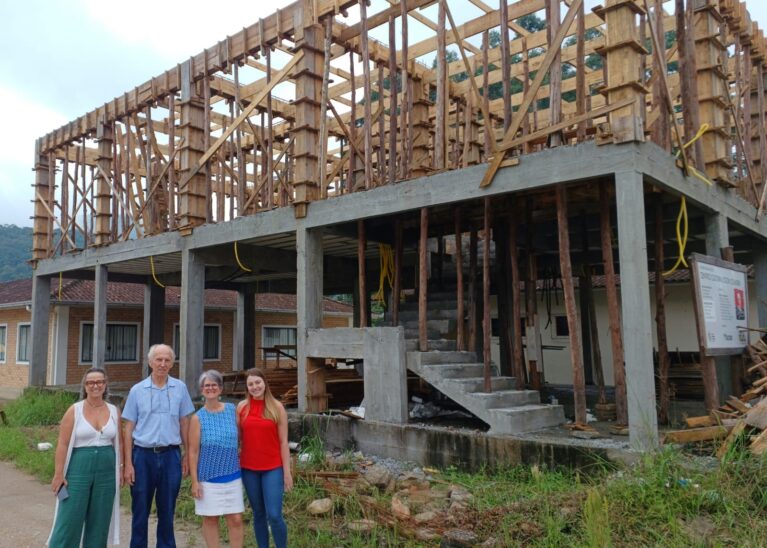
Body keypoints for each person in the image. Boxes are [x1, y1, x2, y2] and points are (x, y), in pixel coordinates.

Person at [122, 343, 195, 548]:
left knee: (167, 511)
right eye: (158, 359)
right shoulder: (137, 390)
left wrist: (187, 455)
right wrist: (128, 463)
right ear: (150, 362)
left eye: (167, 360)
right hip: (142, 457)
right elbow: (128, 428)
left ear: (172, 363)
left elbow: (184, 423)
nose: (162, 364)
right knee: (140, 511)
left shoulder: (180, 388)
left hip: (170, 455)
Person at [47, 367, 122, 547]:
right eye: (90, 382)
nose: (95, 386)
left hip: (106, 470)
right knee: (70, 517)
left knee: (100, 520)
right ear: (85, 386)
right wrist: (58, 474)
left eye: (99, 382)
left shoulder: (114, 411)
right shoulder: (75, 410)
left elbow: (119, 443)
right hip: (79, 467)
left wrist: (122, 467)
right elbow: (63, 444)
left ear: (105, 385)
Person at [188, 370, 244, 548]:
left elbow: (241, 438)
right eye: (206, 385)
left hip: (233, 475)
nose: (210, 388)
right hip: (208, 479)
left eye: (214, 385)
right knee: (211, 519)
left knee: (235, 519)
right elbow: (193, 451)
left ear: (220, 389)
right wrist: (195, 481)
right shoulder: (198, 418)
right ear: (202, 390)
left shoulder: (231, 410)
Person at [238, 368, 293, 548]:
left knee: (275, 515)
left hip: (273, 468)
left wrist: (287, 473)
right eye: (251, 384)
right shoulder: (242, 408)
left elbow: (284, 443)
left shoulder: (277, 407)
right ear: (247, 387)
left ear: (264, 383)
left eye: (258, 382)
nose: (255, 387)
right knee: (258, 513)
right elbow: (239, 439)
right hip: (249, 469)